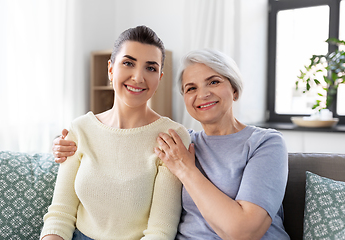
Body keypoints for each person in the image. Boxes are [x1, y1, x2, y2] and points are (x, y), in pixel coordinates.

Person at [53, 49, 290, 239]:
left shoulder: (265, 143)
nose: (203, 94)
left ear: (235, 89)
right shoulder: (178, 141)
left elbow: (244, 232)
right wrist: (64, 144)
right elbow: (120, 147)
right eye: (191, 88)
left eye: (214, 82)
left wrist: (186, 169)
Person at [41, 25, 191, 240]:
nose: (138, 77)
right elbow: (59, 216)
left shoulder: (172, 137)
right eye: (128, 63)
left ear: (159, 78)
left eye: (150, 68)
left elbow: (160, 231)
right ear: (111, 69)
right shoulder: (79, 130)